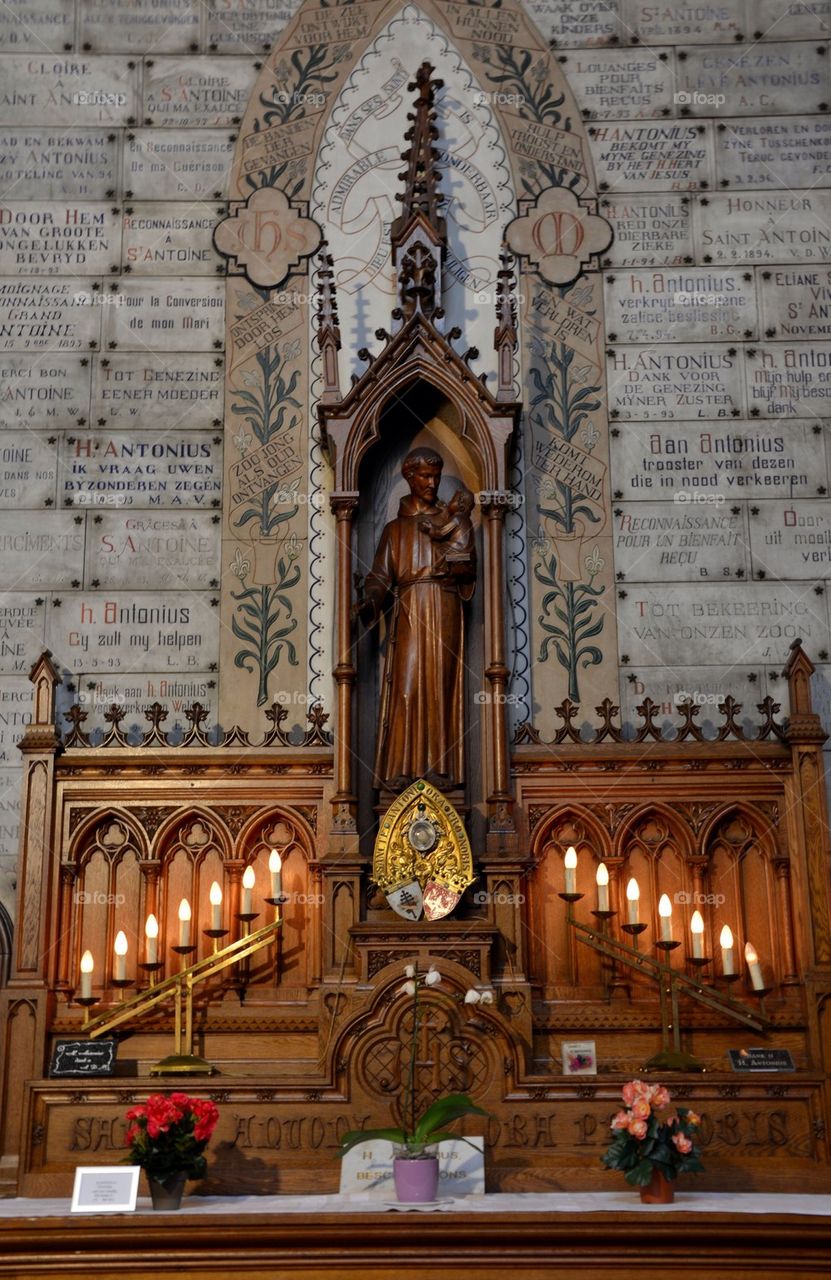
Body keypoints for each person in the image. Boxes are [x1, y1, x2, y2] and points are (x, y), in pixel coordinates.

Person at [356, 447, 476, 790]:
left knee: (441, 685)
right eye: (425, 476)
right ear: (409, 477)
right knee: (406, 685)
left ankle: (440, 768)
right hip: (409, 608)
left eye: (436, 476)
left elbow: (469, 567)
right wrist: (370, 602)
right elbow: (380, 576)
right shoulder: (395, 529)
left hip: (444, 604)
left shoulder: (450, 523)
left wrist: (463, 568)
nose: (432, 482)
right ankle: (401, 768)